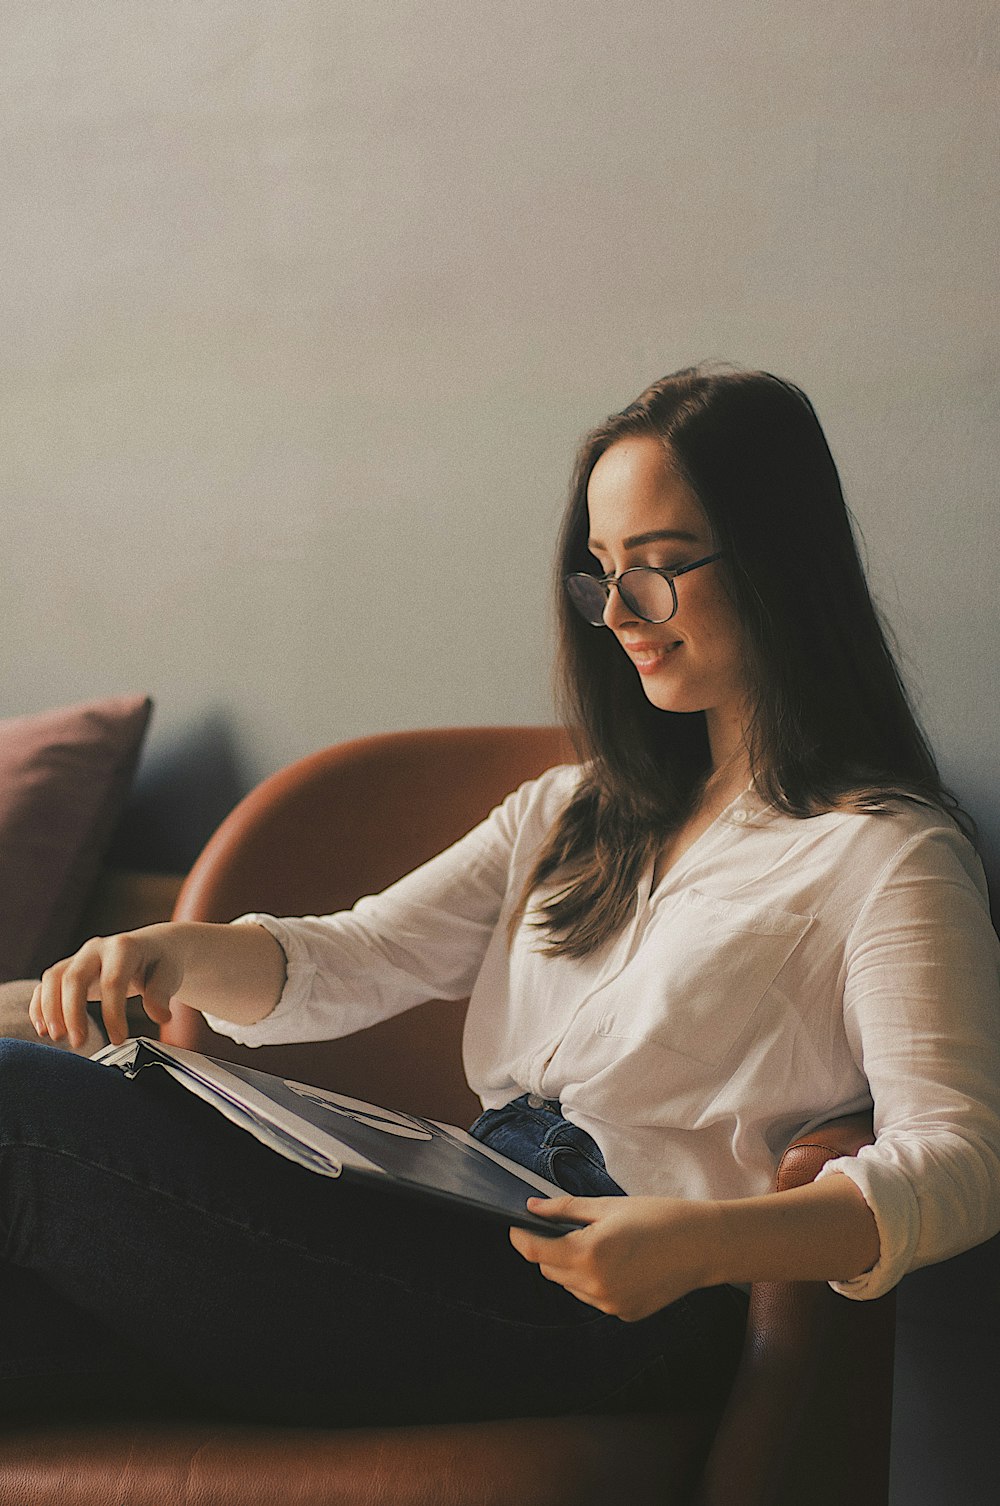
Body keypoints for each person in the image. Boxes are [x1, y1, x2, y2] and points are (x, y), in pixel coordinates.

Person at [4, 364, 999, 1429]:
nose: (618, 612)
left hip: (605, 1300)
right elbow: (360, 955)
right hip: (452, 1213)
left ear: (779, 565)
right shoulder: (573, 810)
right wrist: (171, 952)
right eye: (601, 571)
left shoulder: (887, 855)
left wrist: (705, 1242)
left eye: (658, 568)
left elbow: (961, 1159)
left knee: (20, 1100)